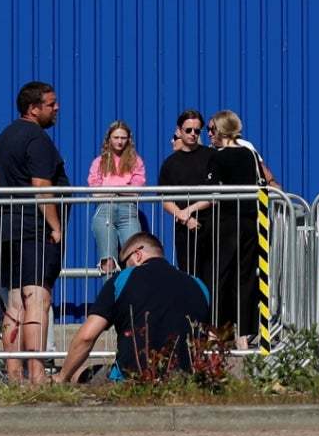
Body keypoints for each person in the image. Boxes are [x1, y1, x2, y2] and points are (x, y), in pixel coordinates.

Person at [56, 230, 215, 381]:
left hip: (132, 380)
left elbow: (86, 337)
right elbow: (211, 339)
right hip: (187, 381)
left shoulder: (123, 279)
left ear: (138, 254)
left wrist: (61, 377)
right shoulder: (198, 285)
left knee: (79, 373)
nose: (125, 268)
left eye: (125, 263)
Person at [0, 80, 69, 384]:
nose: (57, 108)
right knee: (37, 300)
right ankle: (37, 375)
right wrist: (56, 226)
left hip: (8, 228)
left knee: (14, 304)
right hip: (32, 230)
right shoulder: (37, 139)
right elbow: (41, 187)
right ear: (33, 108)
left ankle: (14, 375)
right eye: (51, 104)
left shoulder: (6, 136)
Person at [201, 110, 266, 345]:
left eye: (212, 129)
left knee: (220, 274)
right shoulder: (248, 154)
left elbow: (212, 191)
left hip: (228, 220)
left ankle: (213, 330)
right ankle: (244, 334)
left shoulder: (218, 157)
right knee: (247, 276)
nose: (209, 135)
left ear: (220, 130)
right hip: (249, 220)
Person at [157, 109, 216, 279]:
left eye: (197, 130)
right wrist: (183, 216)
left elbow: (216, 193)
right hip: (184, 228)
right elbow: (164, 198)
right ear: (179, 131)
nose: (193, 134)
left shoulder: (211, 156)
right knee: (188, 275)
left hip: (212, 225)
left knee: (212, 275)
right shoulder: (170, 163)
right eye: (188, 130)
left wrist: (189, 211)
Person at [86, 120, 147, 266]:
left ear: (128, 139)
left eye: (123, 138)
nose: (120, 141)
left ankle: (131, 289)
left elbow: (136, 191)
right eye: (116, 137)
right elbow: (94, 191)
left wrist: (110, 190)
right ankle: (110, 289)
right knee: (108, 261)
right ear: (109, 139)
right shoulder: (99, 162)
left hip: (128, 212)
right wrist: (122, 190)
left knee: (134, 258)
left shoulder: (135, 161)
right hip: (105, 212)